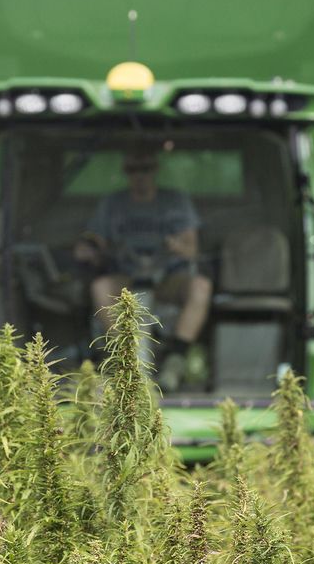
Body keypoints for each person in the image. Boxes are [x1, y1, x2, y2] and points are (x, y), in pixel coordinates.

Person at [74, 147, 212, 386]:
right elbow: (95, 240)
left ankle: (176, 360)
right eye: (133, 169)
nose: (140, 175)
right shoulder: (112, 204)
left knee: (200, 286)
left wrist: (177, 245)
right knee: (100, 286)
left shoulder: (175, 201)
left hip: (167, 277)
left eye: (145, 169)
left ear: (155, 170)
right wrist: (88, 249)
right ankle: (123, 357)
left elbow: (192, 249)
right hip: (126, 276)